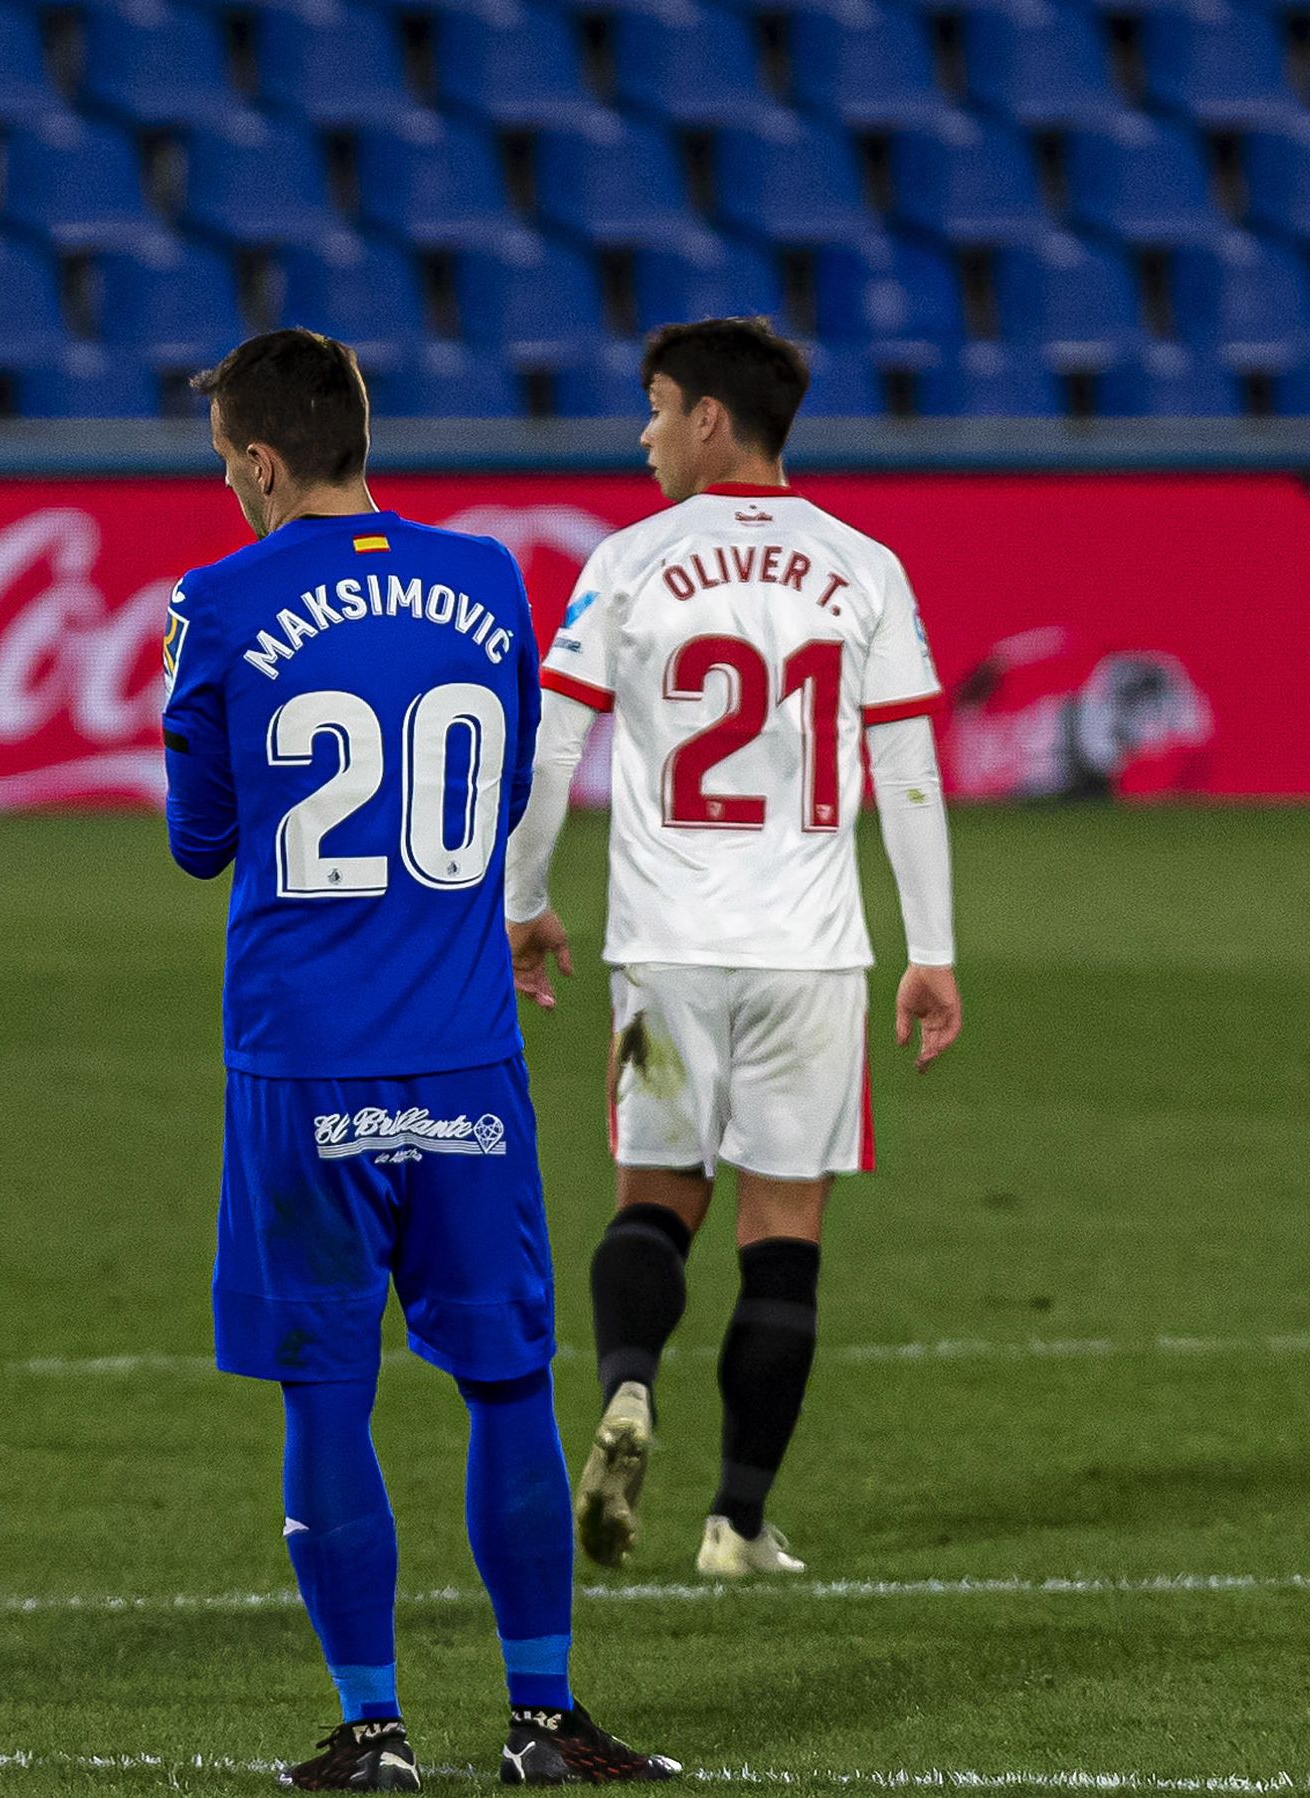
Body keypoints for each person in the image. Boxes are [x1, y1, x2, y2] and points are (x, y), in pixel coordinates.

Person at [162, 328, 679, 1788]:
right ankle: (543, 1718)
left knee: (326, 1387)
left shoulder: (216, 601)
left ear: (260, 460)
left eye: (226, 465)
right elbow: (507, 772)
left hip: (301, 1064)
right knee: (508, 1378)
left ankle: (374, 1729)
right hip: (462, 1055)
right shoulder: (483, 579)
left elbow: (203, 842)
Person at [504, 318, 962, 1579]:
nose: (642, 432)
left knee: (655, 1200)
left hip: (666, 952)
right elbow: (909, 766)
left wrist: (523, 900)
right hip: (811, 958)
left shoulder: (630, 561)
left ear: (713, 419)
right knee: (783, 1230)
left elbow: (552, 747)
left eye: (655, 406)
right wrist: (932, 949)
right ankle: (738, 1523)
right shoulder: (863, 566)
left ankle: (630, 1387)